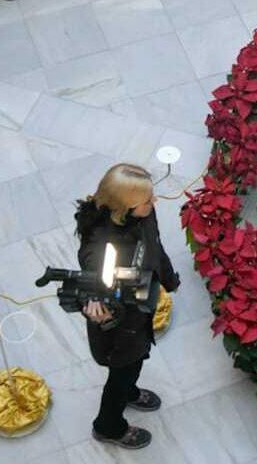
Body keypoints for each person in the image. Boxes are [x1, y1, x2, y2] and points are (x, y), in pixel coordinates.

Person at [74, 164, 180, 450]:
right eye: (147, 199)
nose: (154, 201)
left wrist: (168, 279)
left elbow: (155, 246)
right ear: (124, 207)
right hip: (119, 329)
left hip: (140, 310)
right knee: (120, 374)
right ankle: (108, 426)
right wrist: (93, 305)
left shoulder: (144, 214)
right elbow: (90, 286)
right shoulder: (99, 246)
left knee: (136, 361)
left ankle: (130, 391)